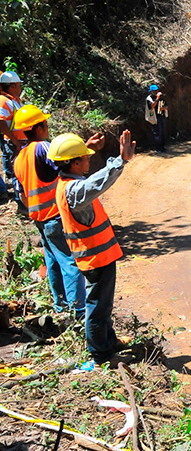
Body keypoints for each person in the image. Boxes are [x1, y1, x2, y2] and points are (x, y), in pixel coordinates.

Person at [50, 130, 135, 363]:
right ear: (75, 163)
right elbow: (97, 183)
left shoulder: (66, 183)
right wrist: (121, 161)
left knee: (103, 304)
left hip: (96, 257)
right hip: (96, 259)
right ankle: (102, 355)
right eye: (85, 157)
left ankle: (109, 340)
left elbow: (89, 181)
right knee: (97, 307)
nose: (89, 159)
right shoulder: (75, 191)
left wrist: (88, 147)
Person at [12, 105, 90, 319]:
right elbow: (64, 165)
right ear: (39, 129)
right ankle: (78, 313)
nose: (47, 127)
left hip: (38, 218)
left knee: (53, 261)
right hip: (55, 216)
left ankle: (61, 307)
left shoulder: (19, 159)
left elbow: (21, 193)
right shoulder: (44, 148)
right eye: (45, 124)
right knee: (70, 262)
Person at [0, 71, 26, 201]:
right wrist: (15, 141)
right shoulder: (3, 101)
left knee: (22, 172)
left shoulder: (13, 100)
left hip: (20, 141)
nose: (21, 88)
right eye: (19, 85)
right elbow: (1, 122)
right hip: (14, 143)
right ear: (12, 86)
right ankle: (20, 203)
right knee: (18, 173)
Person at [145, 84, 168, 152]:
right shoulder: (149, 98)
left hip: (161, 116)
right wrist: (157, 98)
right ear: (151, 91)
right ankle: (158, 148)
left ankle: (162, 147)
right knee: (157, 133)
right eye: (154, 91)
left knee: (163, 132)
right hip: (154, 118)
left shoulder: (161, 98)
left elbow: (166, 105)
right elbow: (151, 106)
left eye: (157, 90)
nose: (156, 92)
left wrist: (163, 108)